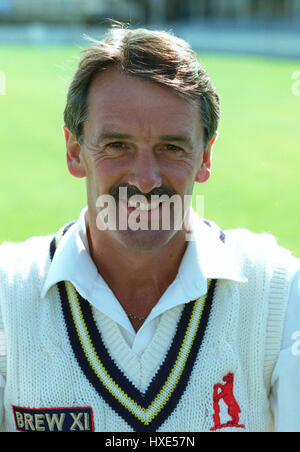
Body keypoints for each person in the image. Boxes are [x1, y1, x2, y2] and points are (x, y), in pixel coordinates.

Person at [0, 26, 299, 433]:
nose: (144, 179)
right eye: (117, 145)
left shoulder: (278, 292)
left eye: (171, 147)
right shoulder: (7, 291)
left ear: (205, 157)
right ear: (75, 152)